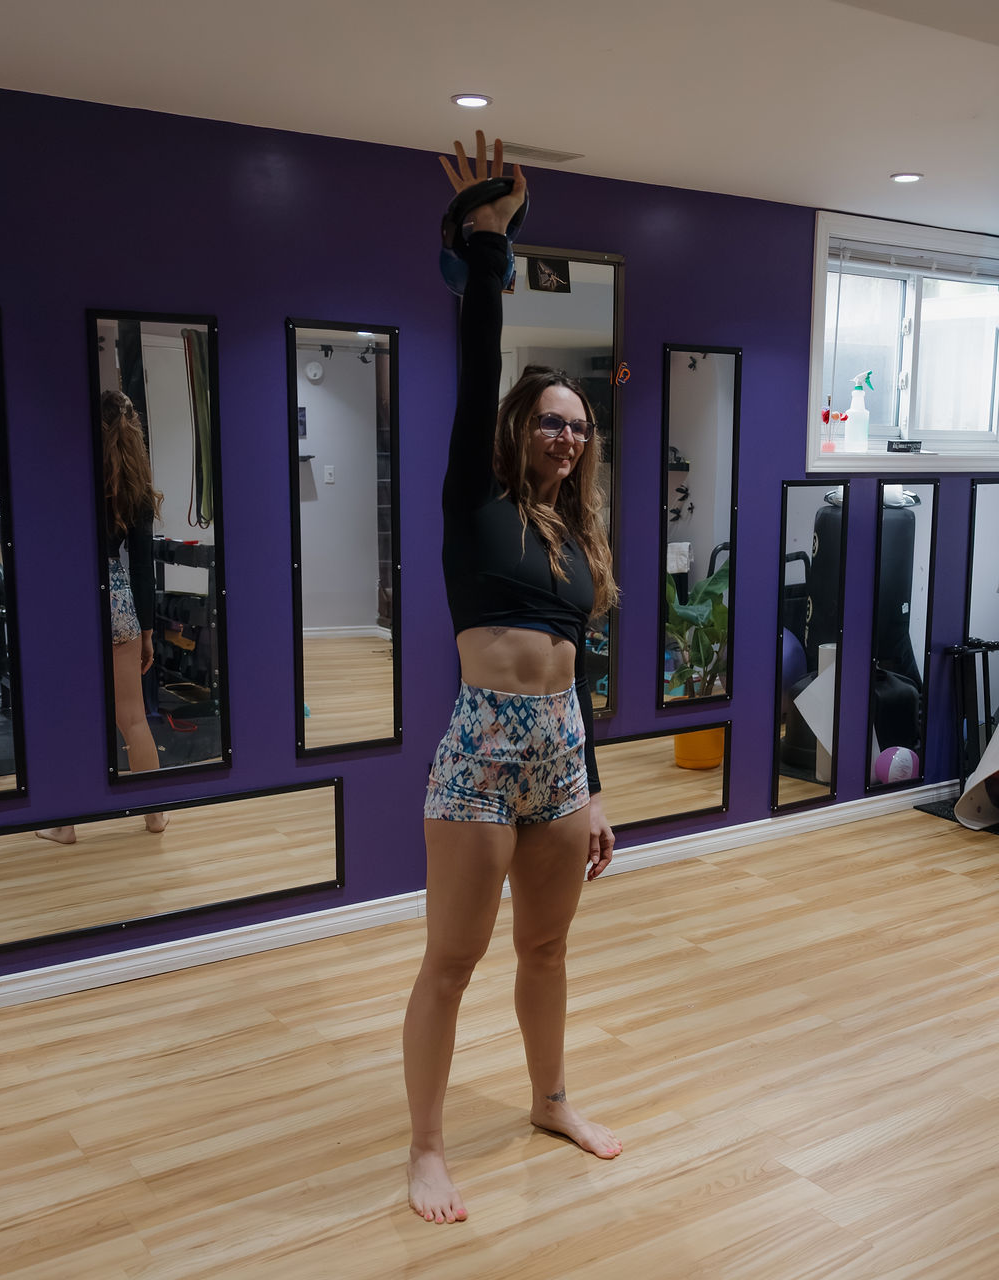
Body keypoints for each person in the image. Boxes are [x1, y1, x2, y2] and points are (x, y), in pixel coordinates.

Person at [404, 132, 621, 1225]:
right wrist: (488, 247)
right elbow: (478, 357)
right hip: (480, 745)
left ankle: (550, 1098)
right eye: (550, 420)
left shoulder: (581, 545)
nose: (566, 437)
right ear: (517, 428)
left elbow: (575, 673)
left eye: (578, 427)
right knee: (453, 954)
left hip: (555, 755)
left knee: (546, 944)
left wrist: (590, 784)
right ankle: (428, 1146)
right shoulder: (471, 503)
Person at [37, 390, 167, 843]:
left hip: (73, 598)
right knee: (132, 717)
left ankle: (64, 825)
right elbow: (142, 568)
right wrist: (147, 633)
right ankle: (154, 817)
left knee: (72, 716)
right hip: (119, 601)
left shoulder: (72, 475)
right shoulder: (136, 487)